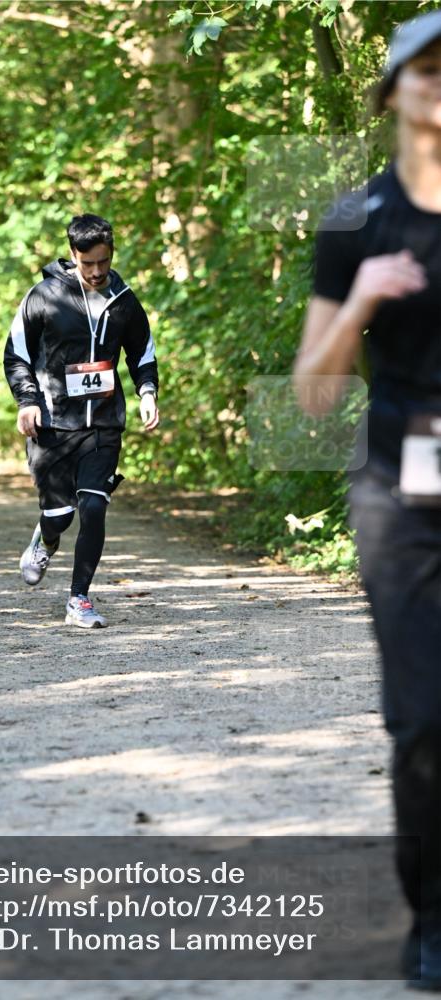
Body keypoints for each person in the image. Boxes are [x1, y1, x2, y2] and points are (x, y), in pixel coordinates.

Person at [294, 11, 441, 991]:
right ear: (390, 89)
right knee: (424, 720)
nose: (440, 87)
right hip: (401, 489)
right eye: (425, 71)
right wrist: (360, 300)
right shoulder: (354, 221)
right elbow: (312, 390)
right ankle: (431, 918)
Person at [4, 214, 159, 628]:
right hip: (52, 426)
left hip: (103, 424)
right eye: (88, 263)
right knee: (60, 515)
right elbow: (16, 354)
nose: (96, 272)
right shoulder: (43, 296)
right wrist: (27, 401)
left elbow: (142, 352)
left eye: (103, 263)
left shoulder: (123, 299)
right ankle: (45, 537)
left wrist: (147, 392)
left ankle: (79, 599)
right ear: (73, 255)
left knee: (93, 506)